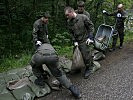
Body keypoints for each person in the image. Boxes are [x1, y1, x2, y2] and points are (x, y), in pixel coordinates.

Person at [30, 12, 81, 98]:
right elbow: (34, 34)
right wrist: (36, 41)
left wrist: (46, 36)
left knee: (34, 64)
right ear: (42, 18)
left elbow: (46, 32)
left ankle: (39, 77)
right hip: (46, 50)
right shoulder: (37, 23)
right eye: (46, 18)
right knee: (59, 74)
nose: (47, 20)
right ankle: (73, 89)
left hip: (41, 52)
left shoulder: (45, 24)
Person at [64, 7, 99, 79]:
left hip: (85, 39)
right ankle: (78, 67)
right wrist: (74, 41)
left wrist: (90, 37)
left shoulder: (83, 17)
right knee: (76, 55)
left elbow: (91, 26)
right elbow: (71, 33)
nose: (67, 17)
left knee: (86, 55)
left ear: (71, 12)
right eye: (66, 15)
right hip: (77, 41)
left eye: (67, 15)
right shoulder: (69, 22)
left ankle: (89, 67)